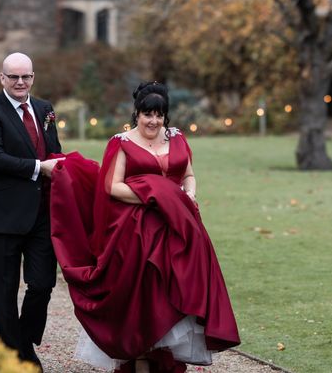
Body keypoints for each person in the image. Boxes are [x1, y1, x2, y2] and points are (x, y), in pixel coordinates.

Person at [49, 81, 240, 373]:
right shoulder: (122, 143)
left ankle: (164, 355)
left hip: (179, 227)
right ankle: (139, 358)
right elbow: (112, 187)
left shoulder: (177, 138)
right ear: (137, 114)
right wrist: (154, 197)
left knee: (175, 288)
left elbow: (188, 175)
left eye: (159, 115)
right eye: (147, 114)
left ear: (165, 116)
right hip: (138, 230)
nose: (153, 121)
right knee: (144, 292)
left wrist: (188, 194)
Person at [0, 52, 64, 371]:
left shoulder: (44, 109)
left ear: (33, 78)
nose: (20, 82)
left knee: (42, 284)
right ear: (2, 78)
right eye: (13, 77)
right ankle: (19, 358)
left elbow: (55, 151)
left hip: (42, 214)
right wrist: (40, 168)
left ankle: (22, 342)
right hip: (3, 215)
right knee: (4, 291)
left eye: (25, 76)